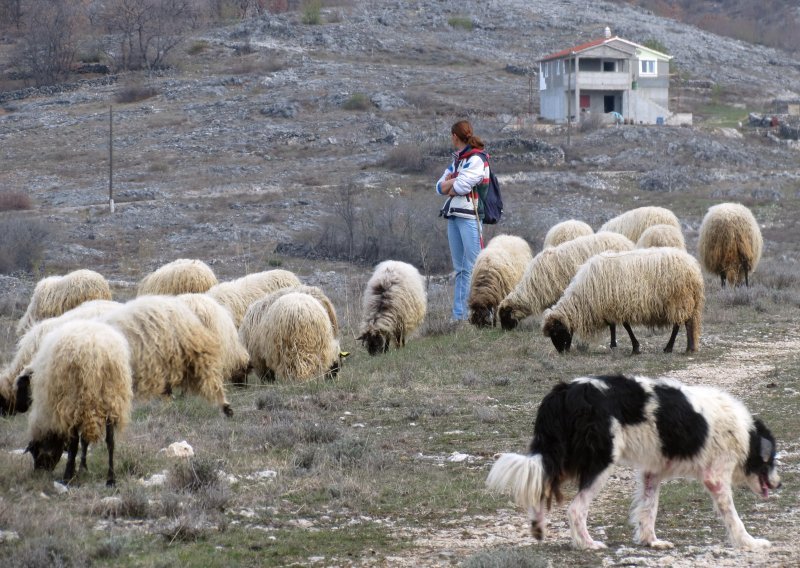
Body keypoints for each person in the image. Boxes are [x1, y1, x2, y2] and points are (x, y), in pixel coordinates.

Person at [436, 120, 489, 322]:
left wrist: (450, 183)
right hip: (454, 216)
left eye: (451, 135)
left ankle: (483, 311)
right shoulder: (458, 160)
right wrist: (451, 183)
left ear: (455, 136)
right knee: (460, 269)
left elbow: (461, 187)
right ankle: (458, 315)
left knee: (475, 266)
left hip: (470, 217)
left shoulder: (476, 159)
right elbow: (439, 188)